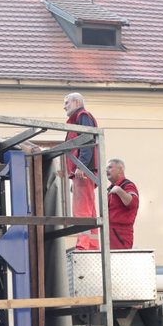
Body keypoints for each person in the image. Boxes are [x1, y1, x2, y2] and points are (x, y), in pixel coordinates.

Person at [62, 93, 100, 250]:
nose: (64, 106)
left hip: (83, 171)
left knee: (82, 210)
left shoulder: (82, 116)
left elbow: (87, 142)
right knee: (89, 210)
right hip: (84, 172)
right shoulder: (80, 117)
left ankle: (83, 245)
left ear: (76, 102)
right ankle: (92, 244)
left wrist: (81, 167)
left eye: (66, 103)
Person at [106, 158, 140, 250]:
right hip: (110, 231)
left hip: (121, 233)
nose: (106, 170)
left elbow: (132, 203)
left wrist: (119, 190)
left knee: (118, 260)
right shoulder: (110, 188)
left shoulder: (127, 185)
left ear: (120, 169)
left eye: (110, 167)